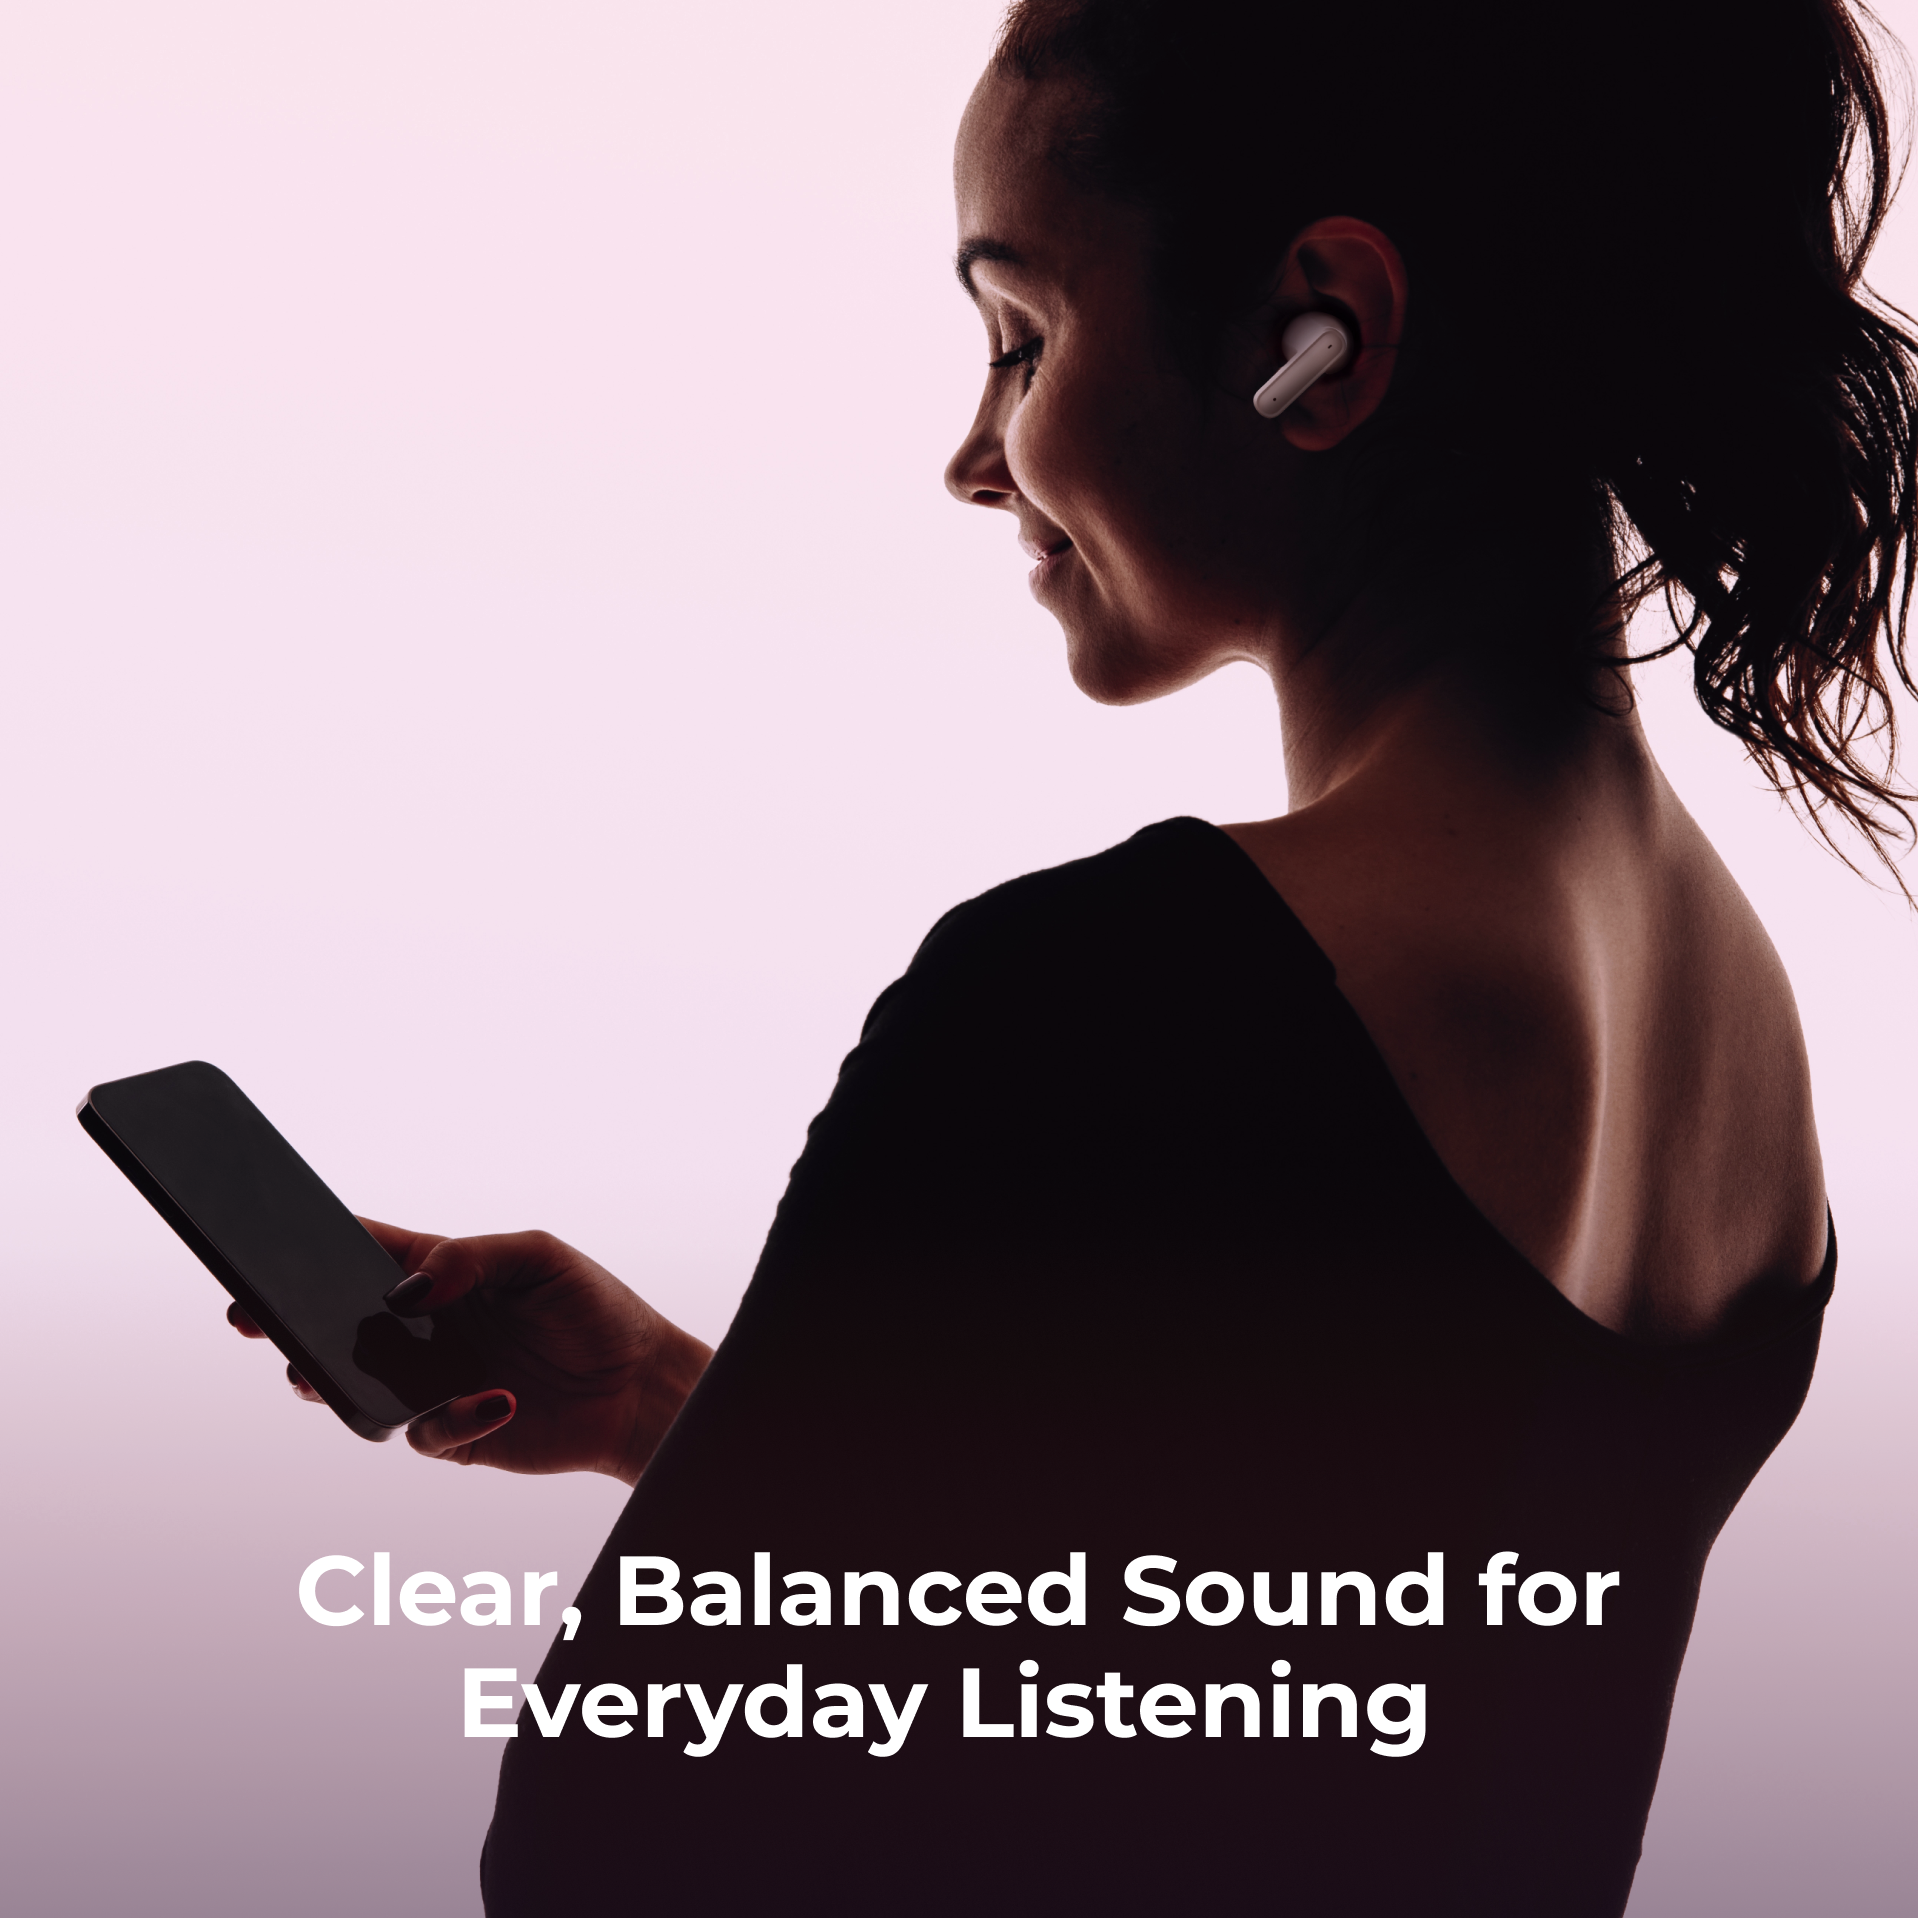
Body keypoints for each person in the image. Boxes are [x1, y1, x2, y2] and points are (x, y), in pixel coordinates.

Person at [234, 2, 1913, 1910]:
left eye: (1020, 337)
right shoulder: (1738, 1022)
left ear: (1319, 336)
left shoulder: (1112, 996)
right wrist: (675, 1413)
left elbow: (606, 1850)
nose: (975, 452)